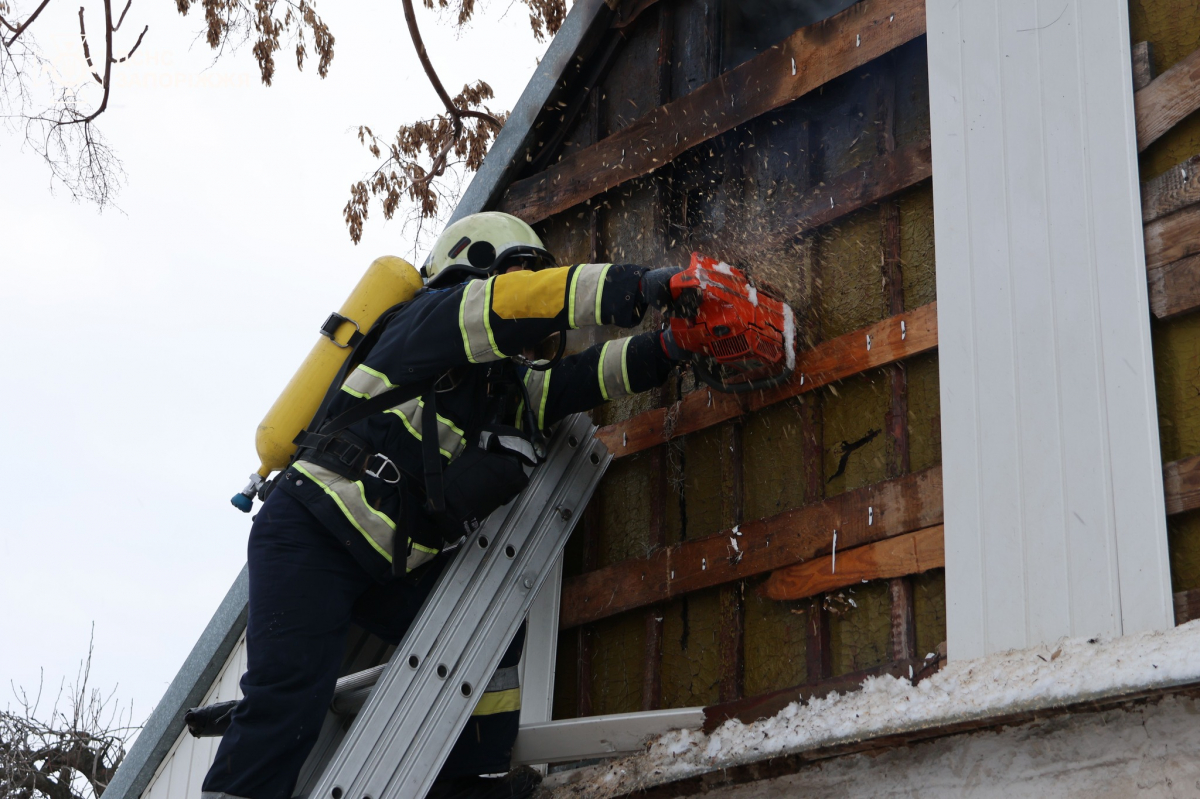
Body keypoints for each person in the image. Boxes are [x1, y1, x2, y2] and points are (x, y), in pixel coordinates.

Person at [201, 212, 691, 799]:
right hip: (313, 531)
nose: (530, 331)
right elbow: (516, 303)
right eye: (514, 276)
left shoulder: (500, 387)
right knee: (289, 695)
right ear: (477, 267)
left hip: (386, 563)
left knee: (486, 637)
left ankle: (464, 786)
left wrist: (671, 345)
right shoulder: (431, 319)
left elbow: (583, 378)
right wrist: (643, 286)